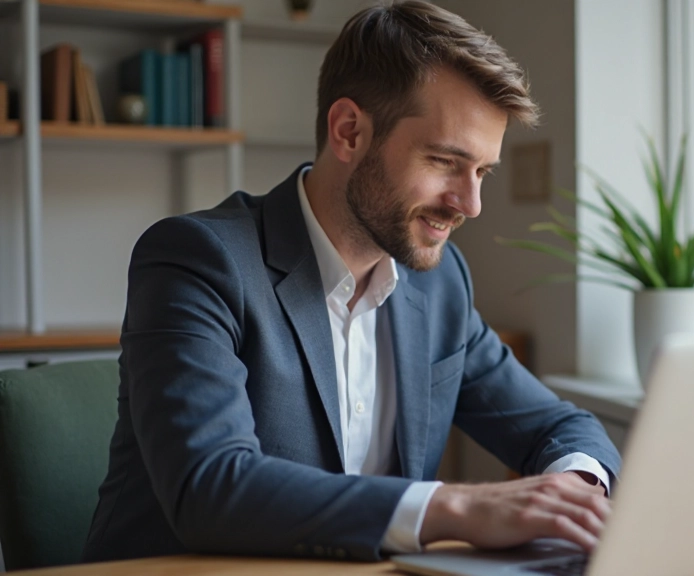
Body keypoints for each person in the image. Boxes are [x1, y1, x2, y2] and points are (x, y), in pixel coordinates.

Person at [82, 0, 621, 564]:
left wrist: (572, 493)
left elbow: (558, 426)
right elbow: (210, 487)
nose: (471, 203)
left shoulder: (440, 288)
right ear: (349, 131)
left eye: (482, 171)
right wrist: (455, 508)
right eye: (444, 161)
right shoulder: (198, 262)